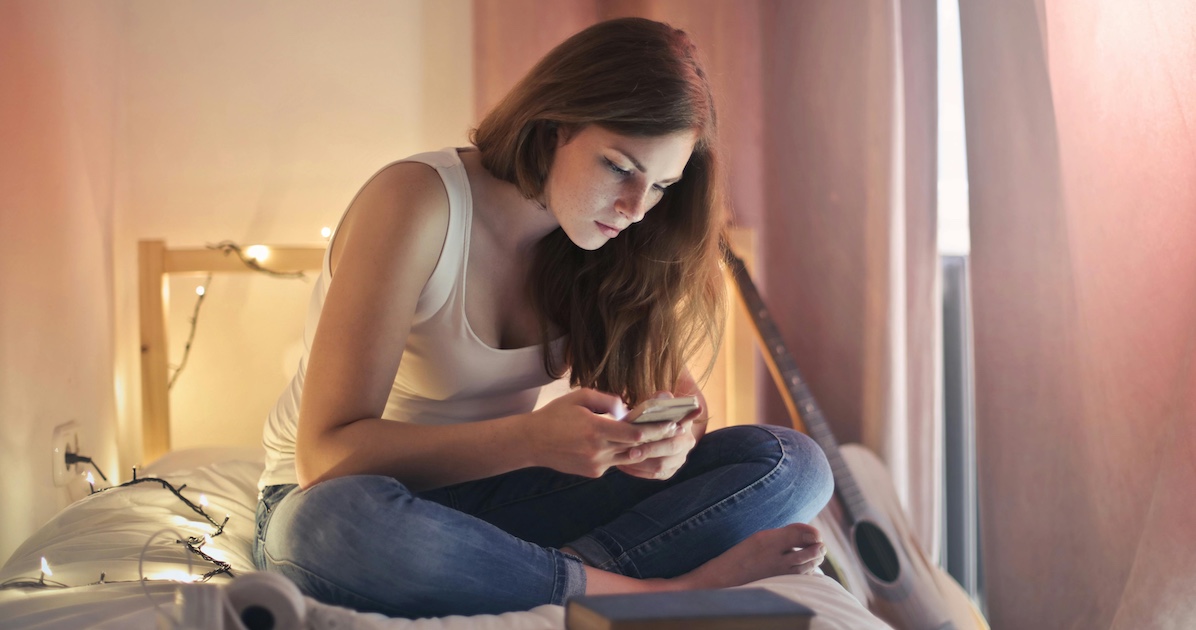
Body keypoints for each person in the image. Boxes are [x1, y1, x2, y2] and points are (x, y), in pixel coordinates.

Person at [252, 17, 833, 618]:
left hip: (495, 506)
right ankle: (655, 594)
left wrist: (669, 441)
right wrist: (530, 440)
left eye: (661, 184)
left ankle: (547, 574)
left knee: (793, 465)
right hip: (344, 500)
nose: (636, 209)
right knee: (326, 527)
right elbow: (322, 457)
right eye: (618, 167)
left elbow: (673, 394)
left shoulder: (602, 244)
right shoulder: (417, 202)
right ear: (553, 127)